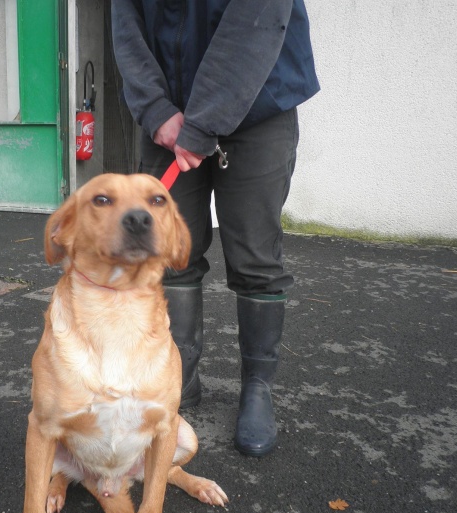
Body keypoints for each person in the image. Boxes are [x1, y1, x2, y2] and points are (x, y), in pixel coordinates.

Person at [111, 0, 319, 456]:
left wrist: (203, 124)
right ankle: (177, 383)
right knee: (168, 258)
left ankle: (257, 390)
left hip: (258, 107)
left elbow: (256, 20)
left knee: (256, 259)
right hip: (166, 119)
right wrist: (155, 108)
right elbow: (126, 24)